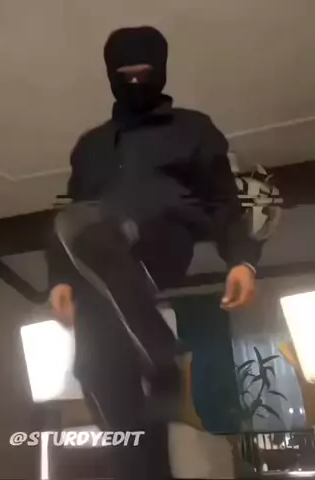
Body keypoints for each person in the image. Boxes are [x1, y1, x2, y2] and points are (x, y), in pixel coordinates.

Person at [47, 26, 261, 480]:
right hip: (95, 264)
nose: (134, 82)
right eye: (124, 74)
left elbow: (223, 199)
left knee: (94, 230)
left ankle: (159, 349)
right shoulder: (90, 146)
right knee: (97, 372)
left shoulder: (193, 128)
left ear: (161, 72)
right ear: (110, 76)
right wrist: (60, 278)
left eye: (143, 73)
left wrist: (241, 259)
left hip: (161, 239)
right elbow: (72, 205)